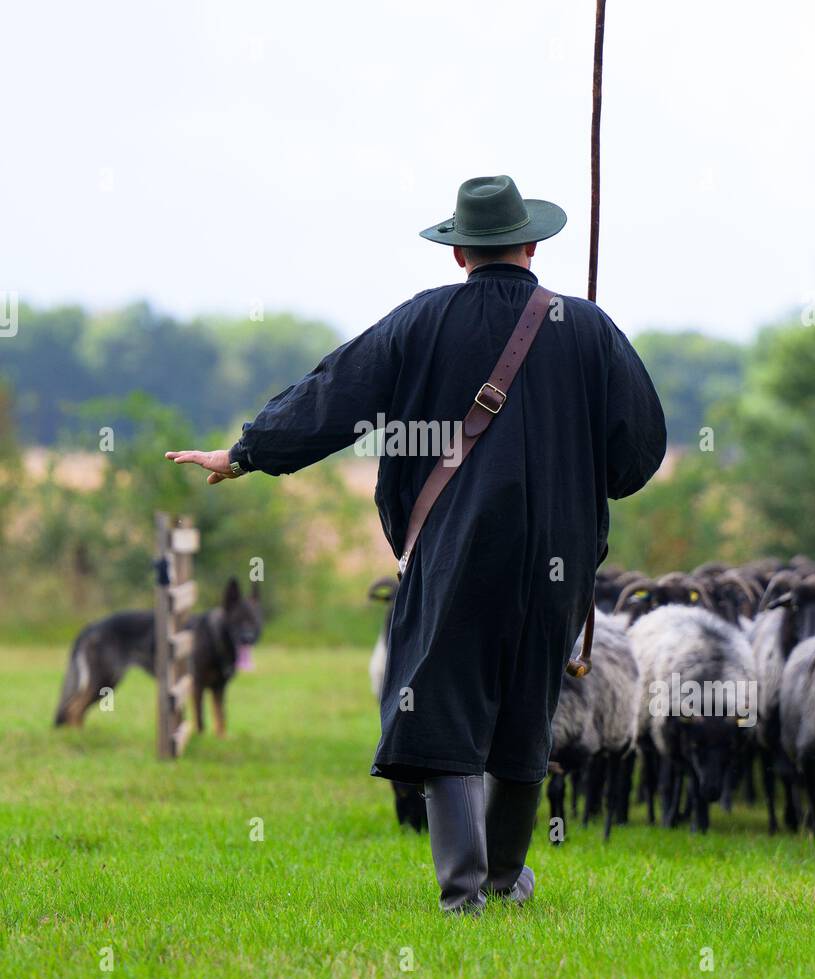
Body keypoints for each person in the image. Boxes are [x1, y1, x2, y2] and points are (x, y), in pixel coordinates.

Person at [166, 175, 666, 914]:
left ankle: (463, 892)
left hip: (454, 546)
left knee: (439, 702)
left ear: (459, 252)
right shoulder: (588, 327)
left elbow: (334, 396)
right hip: (557, 555)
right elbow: (638, 451)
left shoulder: (421, 321)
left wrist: (245, 452)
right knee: (530, 704)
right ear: (530, 243)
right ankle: (504, 879)